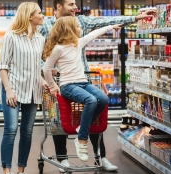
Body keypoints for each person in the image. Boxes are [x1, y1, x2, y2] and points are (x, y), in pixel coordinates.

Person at [38, 0, 156, 172]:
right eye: (71, 4)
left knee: (94, 113)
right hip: (61, 83)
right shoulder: (46, 26)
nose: (75, 8)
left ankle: (100, 157)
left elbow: (104, 22)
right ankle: (63, 160)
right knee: (59, 122)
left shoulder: (81, 21)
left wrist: (136, 17)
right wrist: (49, 76)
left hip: (84, 78)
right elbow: (41, 55)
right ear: (58, 6)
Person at [43, 16, 121, 162]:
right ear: (69, 30)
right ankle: (81, 140)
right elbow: (47, 69)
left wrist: (111, 27)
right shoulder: (58, 49)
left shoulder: (78, 43)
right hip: (68, 85)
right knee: (91, 100)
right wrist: (53, 86)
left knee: (103, 98)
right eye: (78, 27)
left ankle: (82, 127)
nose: (81, 29)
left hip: (83, 83)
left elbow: (94, 33)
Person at [0, 2, 47, 174]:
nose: (43, 16)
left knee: (27, 131)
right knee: (10, 129)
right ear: (29, 16)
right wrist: (8, 90)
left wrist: (44, 82)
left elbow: (36, 69)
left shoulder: (40, 39)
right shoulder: (11, 36)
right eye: (40, 13)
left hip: (32, 91)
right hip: (13, 89)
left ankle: (21, 171)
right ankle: (6, 172)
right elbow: (2, 66)